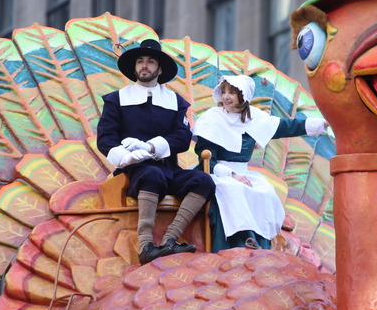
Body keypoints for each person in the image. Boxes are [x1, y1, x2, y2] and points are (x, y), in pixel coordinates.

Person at [96, 39, 215, 265]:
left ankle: (171, 239)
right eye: (140, 61)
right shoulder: (116, 100)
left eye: (150, 62)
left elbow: (182, 138)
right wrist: (125, 157)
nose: (144, 65)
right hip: (135, 173)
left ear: (159, 69)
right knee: (152, 174)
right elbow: (106, 138)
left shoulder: (176, 101)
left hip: (169, 170)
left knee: (203, 180)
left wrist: (150, 147)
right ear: (134, 67)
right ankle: (145, 246)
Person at [193, 75, 329, 251]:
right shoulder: (212, 119)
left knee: (265, 191)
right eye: (224, 91)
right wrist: (232, 175)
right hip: (218, 173)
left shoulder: (255, 118)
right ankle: (239, 242)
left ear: (243, 96)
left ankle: (261, 243)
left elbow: (288, 126)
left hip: (245, 173)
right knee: (234, 189)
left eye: (232, 93)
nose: (226, 96)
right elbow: (207, 160)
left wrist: (323, 123)